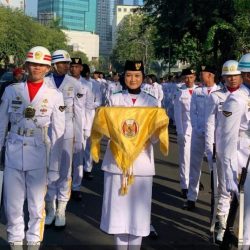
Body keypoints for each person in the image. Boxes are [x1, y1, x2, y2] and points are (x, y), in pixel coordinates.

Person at [0, 46, 65, 250]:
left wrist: (55, 166)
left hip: (38, 153)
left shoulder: (54, 95)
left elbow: (58, 134)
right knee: (12, 204)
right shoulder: (12, 90)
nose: (36, 68)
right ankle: (15, 241)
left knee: (37, 205)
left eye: (41, 65)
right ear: (26, 66)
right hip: (13, 150)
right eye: (33, 64)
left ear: (48, 68)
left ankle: (34, 240)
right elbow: (1, 123)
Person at [98, 60, 165, 250]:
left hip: (141, 162)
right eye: (129, 75)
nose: (133, 79)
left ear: (143, 78)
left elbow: (154, 137)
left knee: (139, 215)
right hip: (117, 162)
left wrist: (146, 135)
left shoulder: (151, 102)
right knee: (118, 214)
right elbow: (107, 129)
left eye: (137, 76)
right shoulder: (115, 99)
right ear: (123, 77)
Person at [45, 50, 83, 228]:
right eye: (63, 63)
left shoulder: (74, 84)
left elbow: (78, 112)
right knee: (49, 170)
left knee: (65, 171)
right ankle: (50, 207)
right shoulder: (45, 82)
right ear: (54, 65)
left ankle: (61, 208)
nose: (67, 66)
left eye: (68, 63)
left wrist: (79, 138)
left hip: (67, 131)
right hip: (48, 130)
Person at [205, 60, 242, 242]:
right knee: (224, 189)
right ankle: (222, 226)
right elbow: (210, 124)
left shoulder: (246, 96)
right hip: (222, 149)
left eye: (235, 75)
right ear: (223, 78)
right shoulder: (216, 96)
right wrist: (210, 147)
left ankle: (236, 227)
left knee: (242, 192)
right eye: (228, 76)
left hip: (242, 151)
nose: (232, 79)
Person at [221, 53, 250, 248]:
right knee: (247, 217)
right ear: (246, 75)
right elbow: (227, 140)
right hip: (245, 161)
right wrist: (230, 173)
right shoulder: (237, 100)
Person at [184, 65, 220, 210]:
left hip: (214, 136)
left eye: (202, 73)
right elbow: (192, 112)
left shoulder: (220, 92)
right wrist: (196, 127)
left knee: (214, 167)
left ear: (210, 75)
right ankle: (191, 197)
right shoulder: (198, 91)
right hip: (198, 133)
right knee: (194, 165)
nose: (200, 75)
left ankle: (216, 198)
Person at [70, 58, 93, 200]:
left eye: (77, 66)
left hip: (80, 124)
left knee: (78, 157)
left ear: (81, 69)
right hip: (64, 123)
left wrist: (87, 128)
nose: (74, 69)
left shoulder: (87, 85)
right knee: (64, 157)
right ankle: (64, 186)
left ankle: (76, 187)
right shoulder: (63, 83)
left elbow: (89, 108)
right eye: (71, 66)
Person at [174, 68, 197, 198]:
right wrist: (180, 132)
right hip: (186, 130)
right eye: (186, 78)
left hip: (198, 130)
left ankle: (194, 182)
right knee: (185, 158)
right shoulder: (180, 92)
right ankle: (185, 185)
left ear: (195, 77)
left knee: (196, 159)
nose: (189, 80)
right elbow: (177, 114)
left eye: (191, 77)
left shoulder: (200, 91)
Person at [81, 64, 102, 180]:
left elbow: (99, 101)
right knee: (78, 145)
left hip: (89, 117)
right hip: (77, 117)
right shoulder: (76, 83)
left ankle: (87, 169)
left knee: (88, 144)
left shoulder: (95, 84)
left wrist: (89, 106)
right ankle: (77, 168)